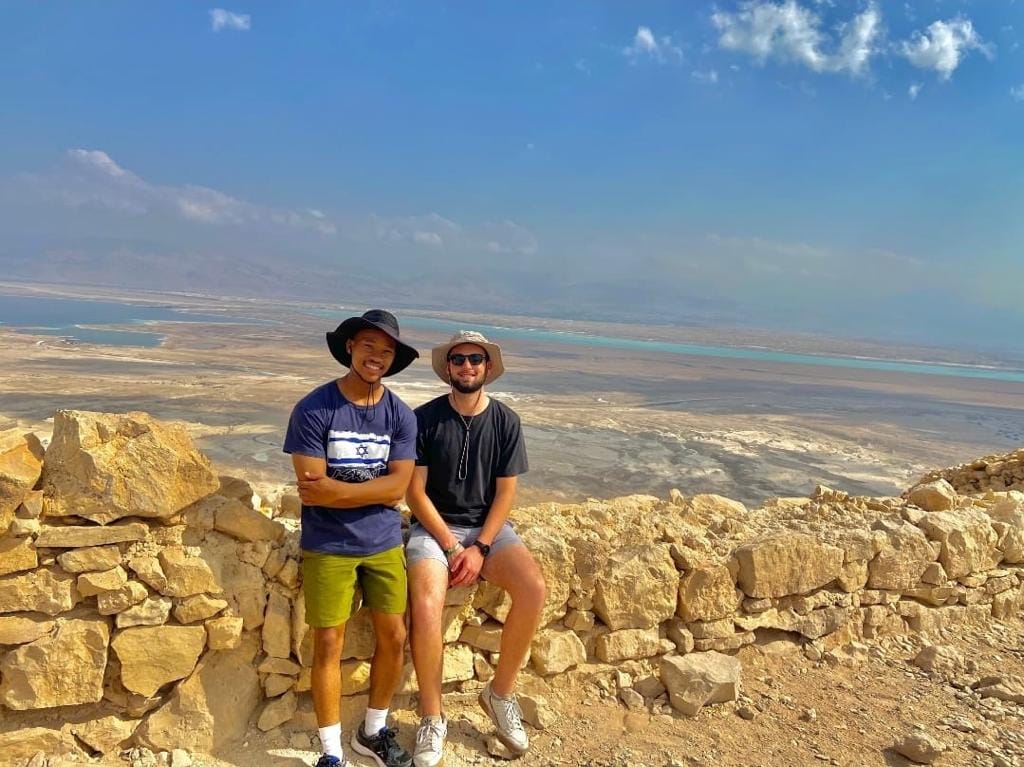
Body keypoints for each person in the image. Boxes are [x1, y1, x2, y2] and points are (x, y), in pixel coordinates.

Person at [283, 309, 419, 767]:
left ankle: (373, 731)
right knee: (328, 643)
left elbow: (398, 488)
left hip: (383, 543)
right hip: (329, 545)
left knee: (395, 636)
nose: (376, 356)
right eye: (368, 346)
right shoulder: (314, 408)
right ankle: (330, 752)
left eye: (386, 350)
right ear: (350, 348)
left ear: (393, 359)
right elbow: (310, 487)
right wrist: (375, 491)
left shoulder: (400, 415)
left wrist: (337, 491)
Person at [405, 330, 546, 767]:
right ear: (448, 367)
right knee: (425, 605)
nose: (467, 366)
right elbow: (415, 492)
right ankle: (432, 717)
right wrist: (451, 547)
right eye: (459, 359)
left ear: (487, 367)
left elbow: (506, 493)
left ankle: (499, 694)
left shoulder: (506, 421)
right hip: (435, 529)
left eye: (476, 359)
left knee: (533, 589)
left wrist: (480, 546)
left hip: (488, 531)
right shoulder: (424, 419)